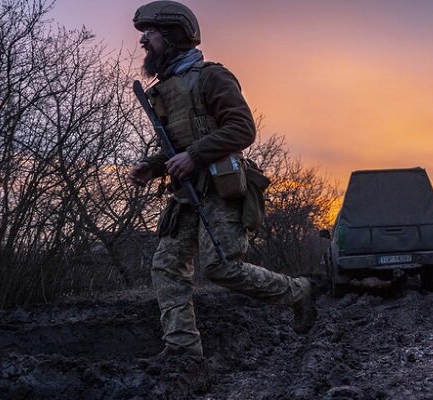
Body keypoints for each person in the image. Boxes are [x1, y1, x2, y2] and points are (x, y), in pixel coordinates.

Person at [128, 1, 317, 361]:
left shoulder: (212, 77)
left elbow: (242, 128)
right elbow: (177, 148)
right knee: (166, 265)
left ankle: (298, 292)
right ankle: (183, 351)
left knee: (221, 267)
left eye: (149, 33)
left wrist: (195, 155)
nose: (144, 41)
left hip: (221, 188)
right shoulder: (167, 89)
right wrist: (153, 166)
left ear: (171, 35)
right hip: (186, 193)